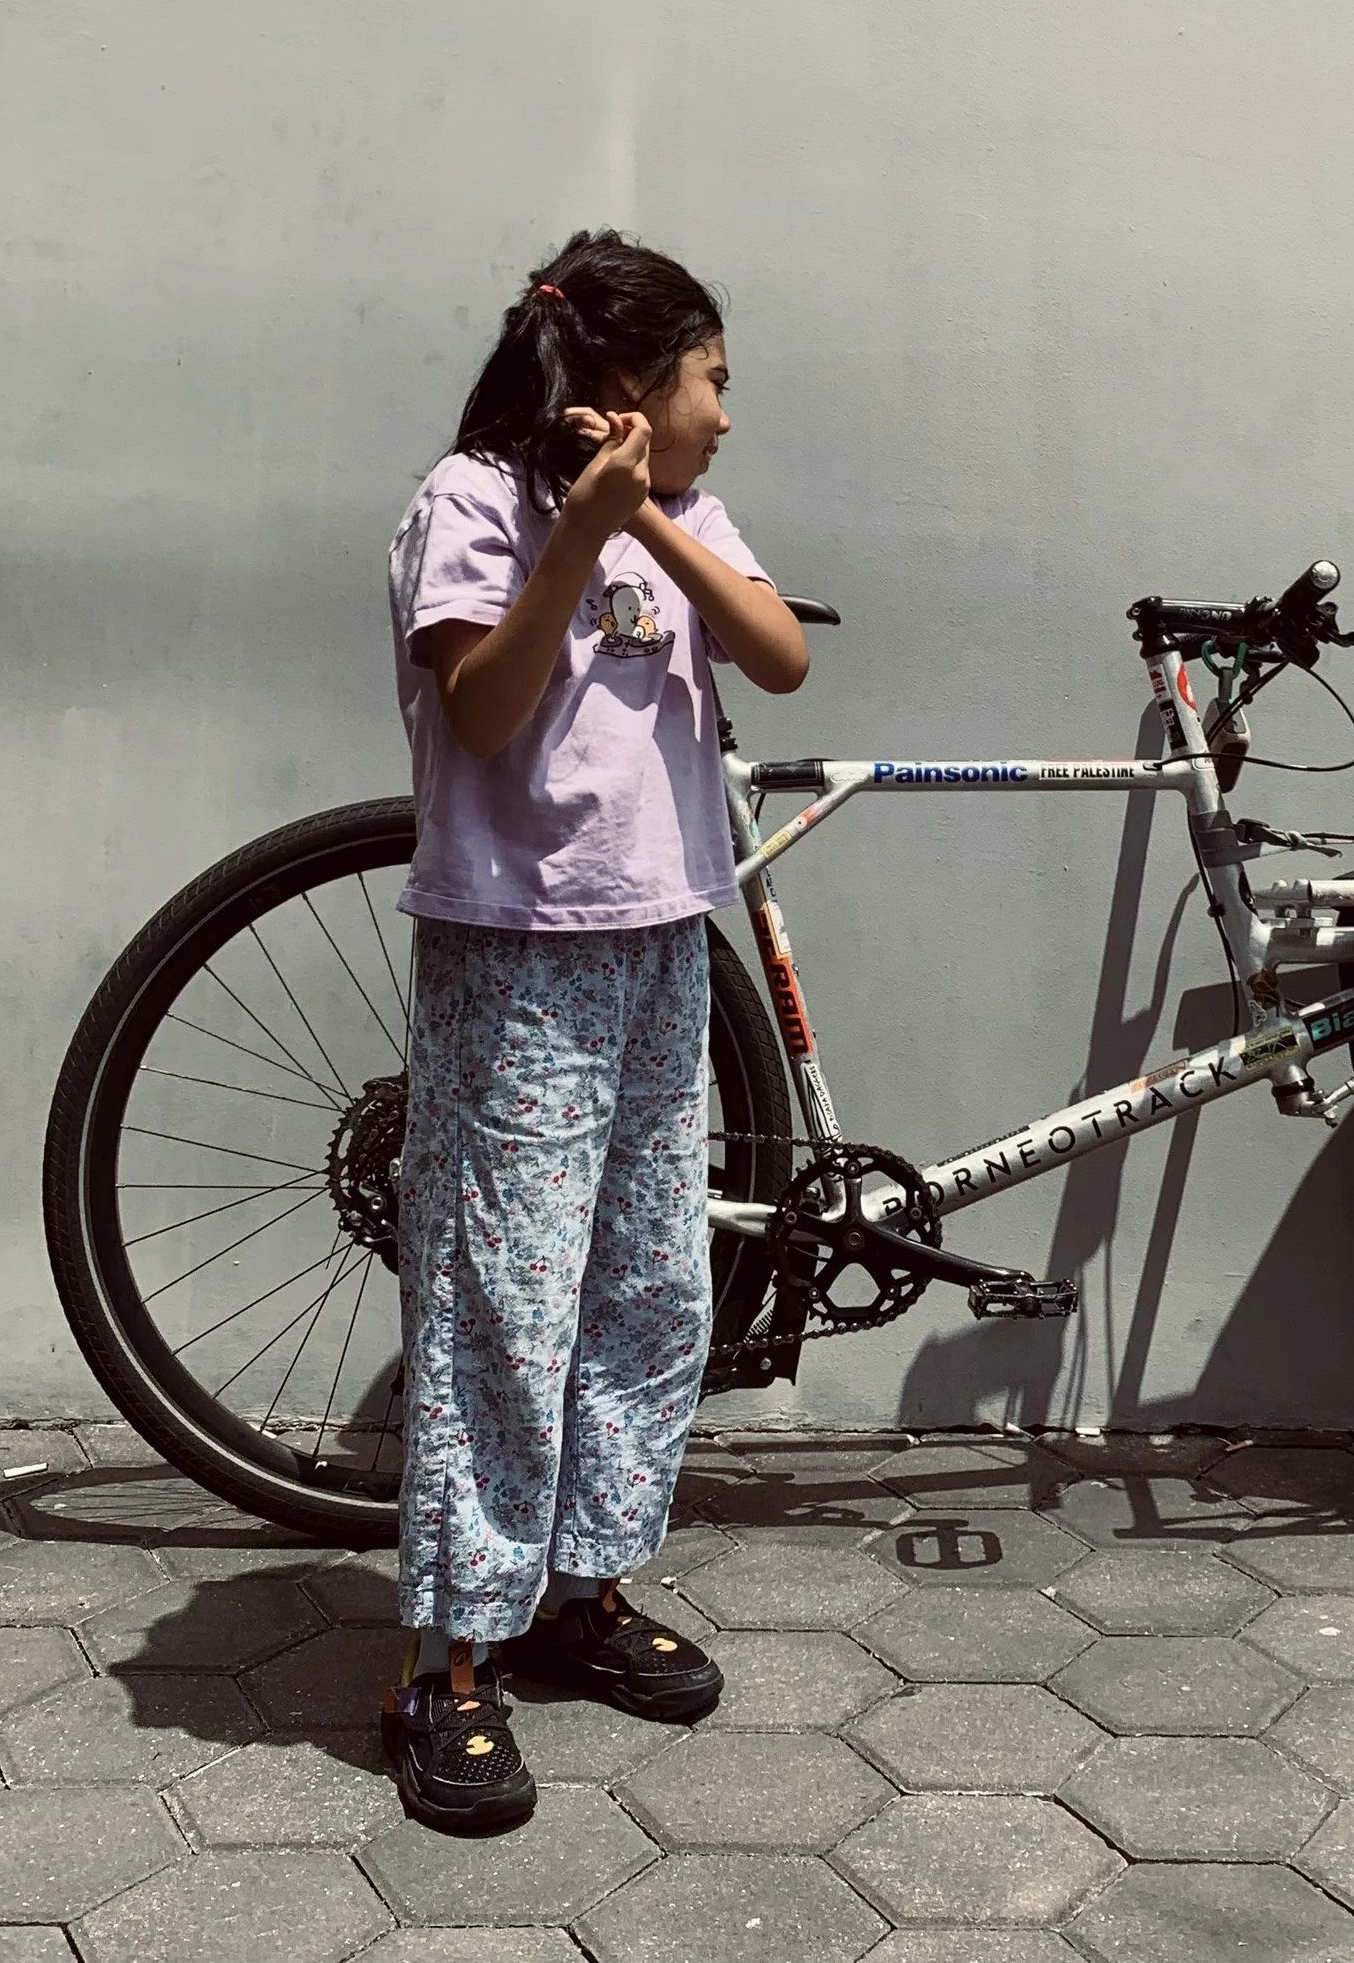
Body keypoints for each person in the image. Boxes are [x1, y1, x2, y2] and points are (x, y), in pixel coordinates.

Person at [377, 228, 809, 1832]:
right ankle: (448, 1660)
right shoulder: (473, 504)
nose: (723, 416)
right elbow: (482, 712)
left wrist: (653, 525)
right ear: (627, 381)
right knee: (507, 1301)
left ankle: (576, 1586)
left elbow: (782, 653)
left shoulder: (690, 512)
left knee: (643, 1285)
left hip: (656, 948)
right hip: (520, 955)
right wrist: (581, 532)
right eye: (709, 381)